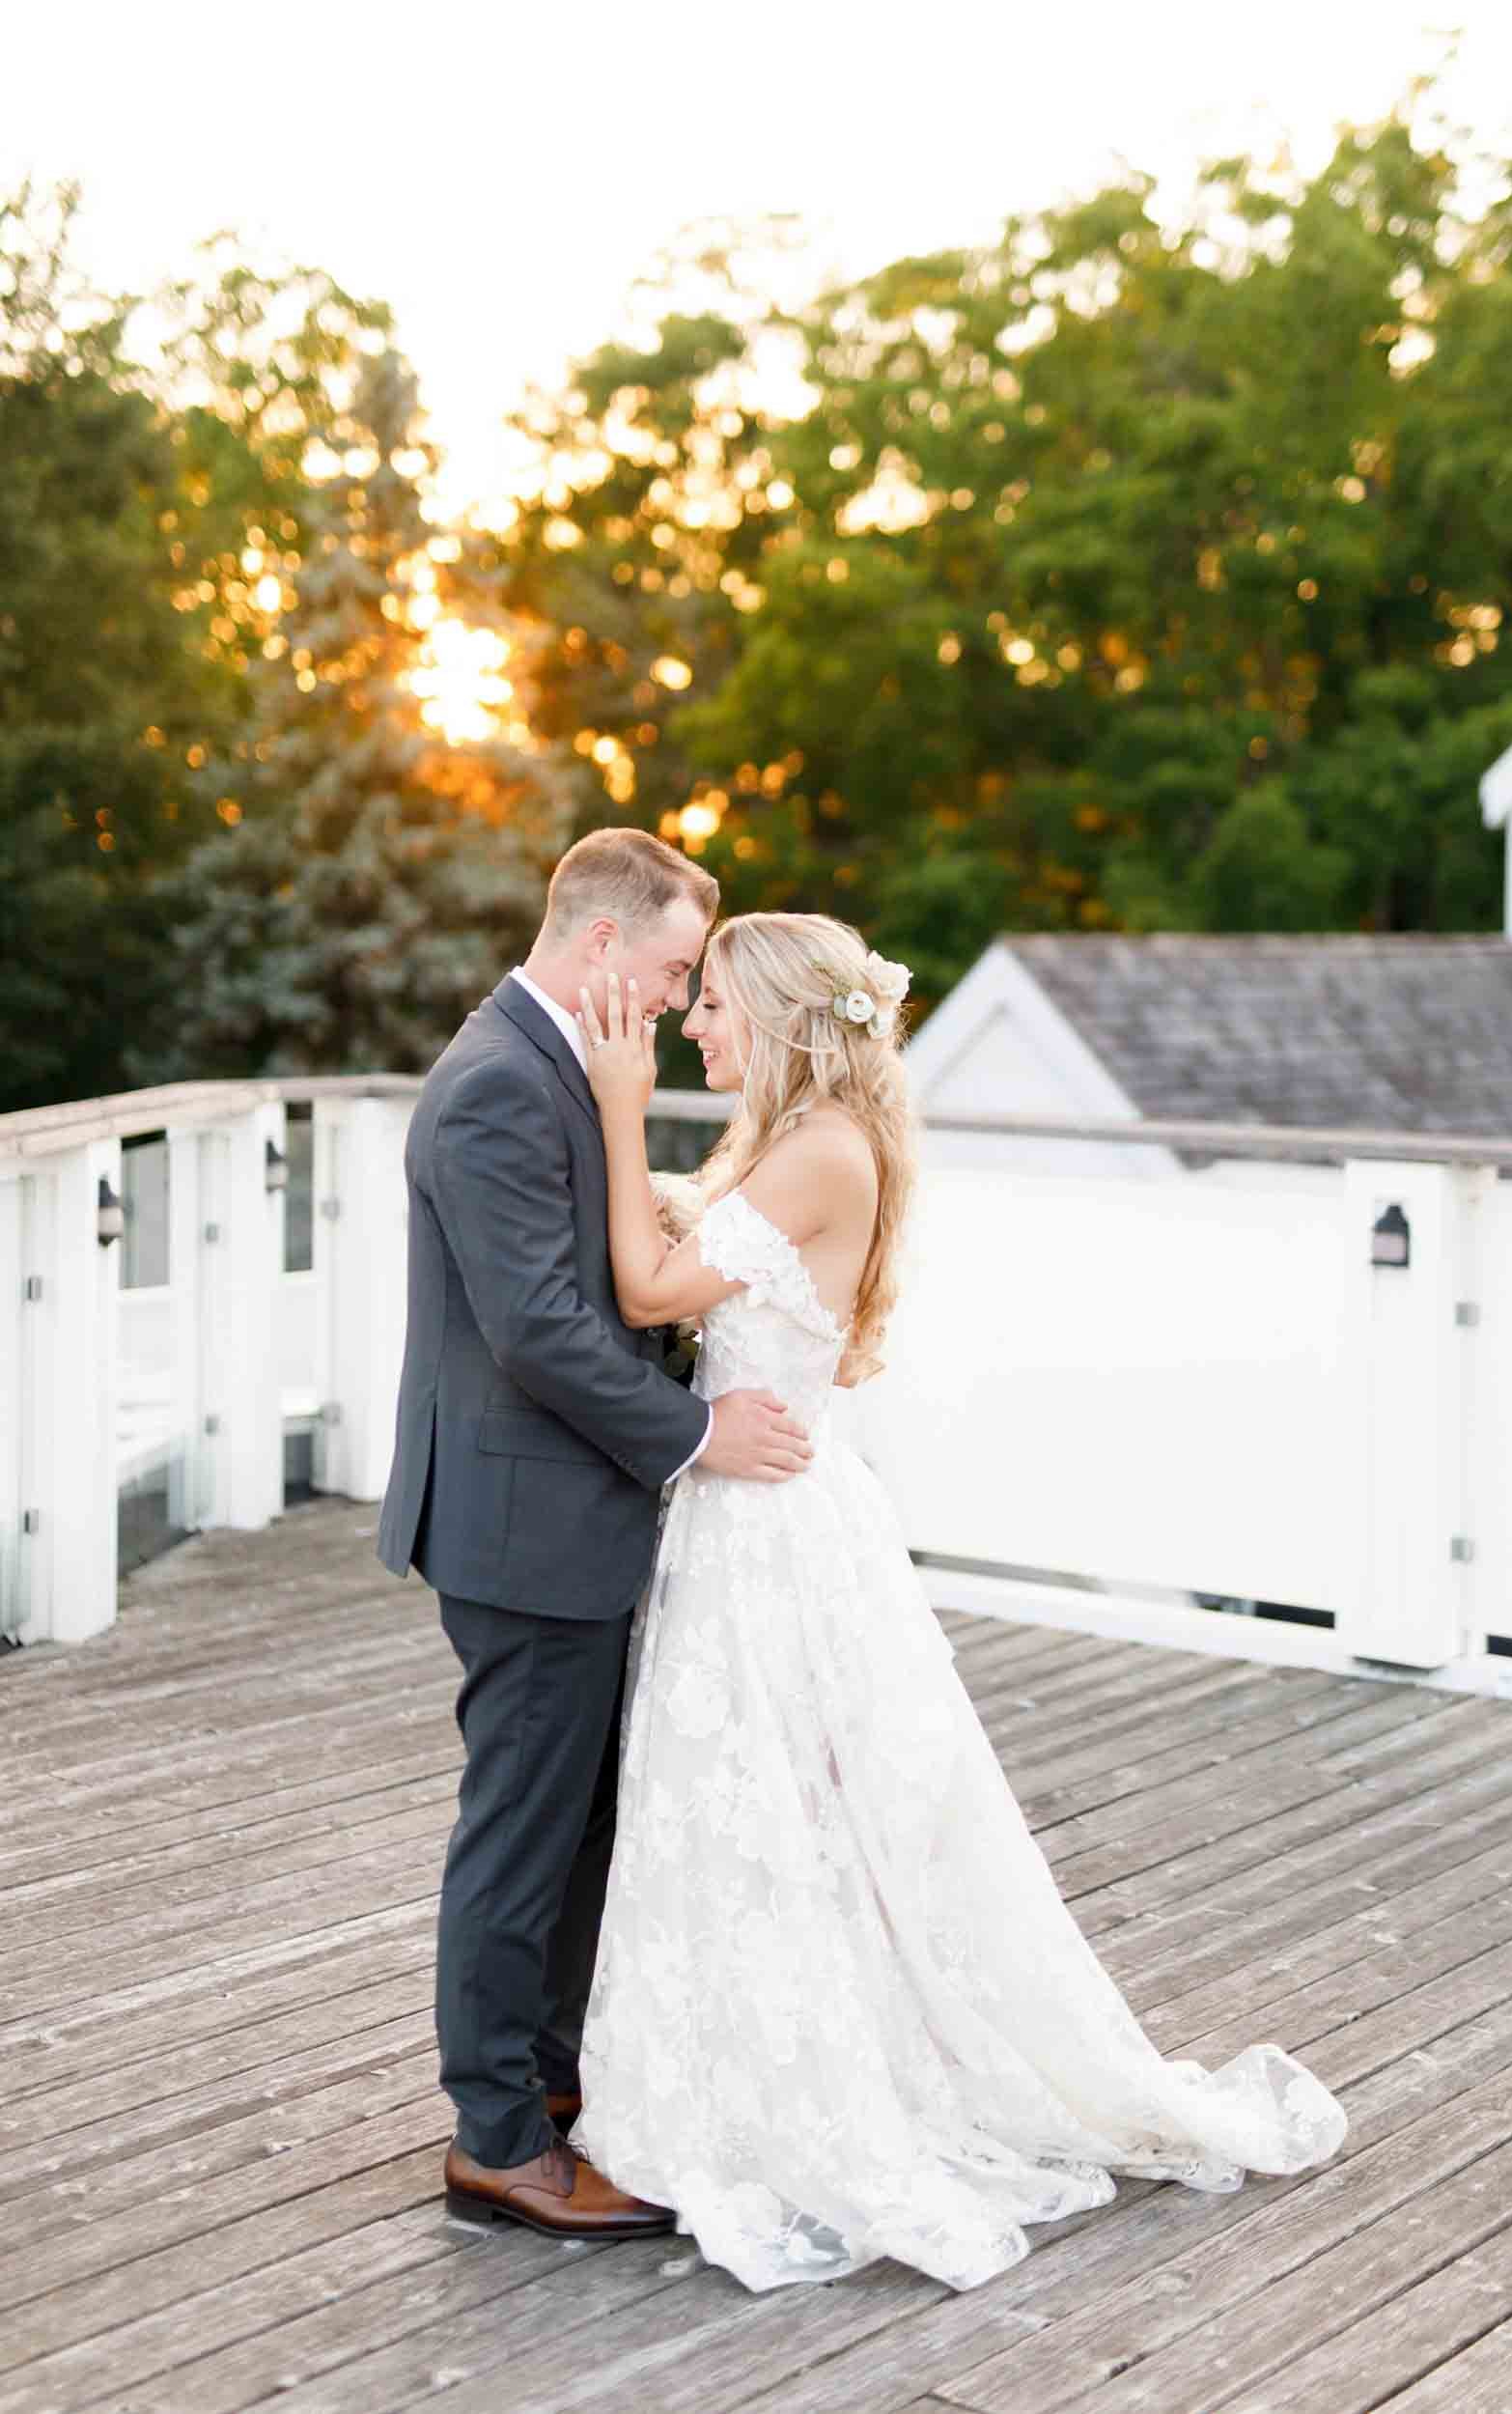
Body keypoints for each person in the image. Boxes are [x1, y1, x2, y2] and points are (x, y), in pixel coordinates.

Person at [571, 910, 1348, 2292]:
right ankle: (758, 2058)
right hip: (770, 1509)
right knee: (764, 1805)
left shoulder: (815, 1154)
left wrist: (622, 1113)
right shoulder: (804, 1145)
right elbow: (726, 1258)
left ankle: (801, 2089)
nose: (694, 1026)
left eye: (714, 1009)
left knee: (773, 1800)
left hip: (771, 1528)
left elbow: (642, 1283)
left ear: (782, 1018)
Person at [378, 831, 815, 2239]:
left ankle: (554, 2090)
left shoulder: (563, 1067)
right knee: (522, 1831)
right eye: (682, 965)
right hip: (522, 1523)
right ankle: (497, 2140)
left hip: (573, 1514)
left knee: (579, 1824)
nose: (688, 995)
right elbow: (540, 1330)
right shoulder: (498, 1085)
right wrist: (697, 1436)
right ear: (608, 946)